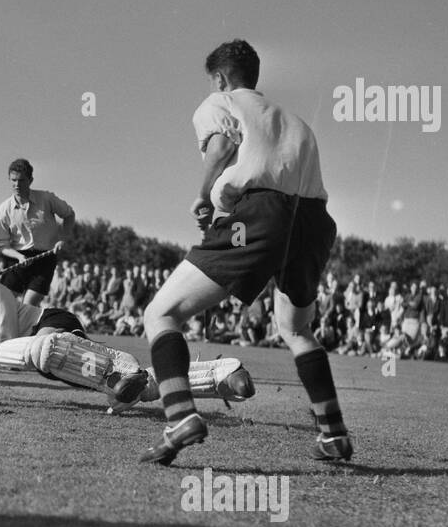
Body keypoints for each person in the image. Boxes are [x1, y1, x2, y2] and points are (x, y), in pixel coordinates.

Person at [139, 38, 352, 465]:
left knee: (160, 313)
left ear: (219, 78)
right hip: (313, 223)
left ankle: (180, 417)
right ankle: (334, 435)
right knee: (296, 329)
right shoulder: (297, 122)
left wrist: (204, 195)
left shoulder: (218, 103)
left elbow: (221, 149)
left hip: (262, 217)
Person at [0, 251, 255, 412]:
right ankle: (219, 376)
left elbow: (3, 334)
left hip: (53, 327)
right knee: (126, 388)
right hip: (36, 354)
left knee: (44, 348)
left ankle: (125, 370)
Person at [0, 158, 76, 306]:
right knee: (3, 303)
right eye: (13, 180)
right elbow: (1, 245)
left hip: (45, 258)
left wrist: (62, 238)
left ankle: (27, 327)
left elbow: (69, 214)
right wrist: (19, 256)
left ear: (30, 180)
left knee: (28, 306)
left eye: (21, 180)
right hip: (18, 258)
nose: (17, 185)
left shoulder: (47, 198)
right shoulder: (3, 209)